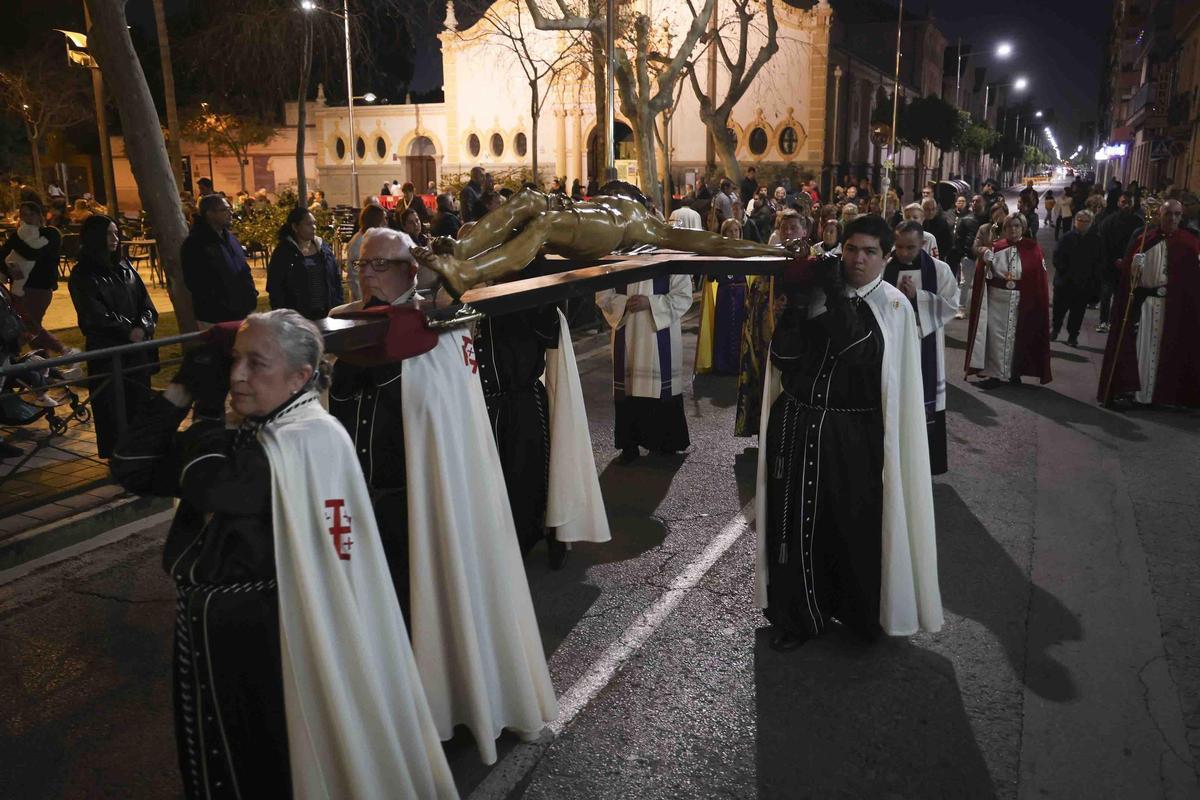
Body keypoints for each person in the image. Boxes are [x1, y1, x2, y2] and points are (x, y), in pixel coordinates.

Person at [109, 310, 458, 799]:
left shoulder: (308, 439)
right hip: (208, 628)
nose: (236, 376)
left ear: (300, 377)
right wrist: (180, 392)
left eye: (257, 363)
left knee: (260, 760)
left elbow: (219, 489)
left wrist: (208, 412)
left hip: (266, 630)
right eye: (233, 361)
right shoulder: (252, 432)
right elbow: (131, 467)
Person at [328, 228, 559, 763]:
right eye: (361, 264)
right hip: (366, 505)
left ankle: (445, 706)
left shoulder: (440, 335)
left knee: (428, 603)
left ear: (413, 270)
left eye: (380, 264)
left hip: (423, 505)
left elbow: (441, 424)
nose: (366, 274)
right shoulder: (349, 330)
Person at [755, 214, 943, 651]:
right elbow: (784, 358)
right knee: (794, 527)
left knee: (853, 527)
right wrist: (797, 308)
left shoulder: (894, 307)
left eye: (870, 252)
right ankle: (796, 616)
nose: (858, 260)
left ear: (886, 255)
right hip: (800, 425)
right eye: (852, 250)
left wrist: (832, 298)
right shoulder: (822, 290)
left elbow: (861, 354)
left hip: (855, 434)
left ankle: (859, 615)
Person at [415, 182, 787, 299]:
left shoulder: (656, 226)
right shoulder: (628, 198)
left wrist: (775, 250)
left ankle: (468, 272)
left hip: (606, 228)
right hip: (584, 208)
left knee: (543, 224)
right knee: (528, 197)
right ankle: (462, 249)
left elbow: (718, 244)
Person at [67, 216, 158, 458]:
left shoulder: (126, 268)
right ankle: (120, 456)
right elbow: (94, 315)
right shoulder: (83, 274)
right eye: (109, 234)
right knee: (114, 410)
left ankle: (141, 452)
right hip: (108, 353)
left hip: (136, 353)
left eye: (116, 233)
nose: (115, 239)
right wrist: (129, 330)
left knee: (139, 404)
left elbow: (146, 304)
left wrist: (144, 325)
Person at [1097, 200, 1200, 407]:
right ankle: (1135, 393)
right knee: (1141, 348)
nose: (1172, 218)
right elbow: (1128, 280)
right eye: (1168, 214)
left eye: (1177, 214)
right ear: (1159, 215)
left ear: (1182, 216)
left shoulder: (1190, 243)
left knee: (1171, 350)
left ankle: (1165, 396)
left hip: (1175, 308)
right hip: (1146, 306)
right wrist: (1134, 266)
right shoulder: (1145, 239)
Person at [884, 221, 960, 474]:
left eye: (911, 247)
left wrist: (919, 297)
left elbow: (951, 305)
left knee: (921, 400)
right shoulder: (884, 266)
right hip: (891, 342)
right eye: (900, 247)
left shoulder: (939, 270)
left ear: (922, 244)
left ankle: (921, 464)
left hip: (923, 341)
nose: (904, 253)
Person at [735, 211, 809, 437]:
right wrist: (768, 307)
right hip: (770, 341)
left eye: (793, 227)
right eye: (784, 227)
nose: (788, 232)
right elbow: (756, 298)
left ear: (804, 231)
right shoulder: (769, 261)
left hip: (804, 342)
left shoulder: (814, 260)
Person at [964, 213, 1052, 385]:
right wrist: (984, 261)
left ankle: (1015, 372)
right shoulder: (995, 247)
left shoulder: (1032, 248)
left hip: (1022, 299)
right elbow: (984, 275)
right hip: (997, 299)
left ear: (1023, 228)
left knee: (1019, 336)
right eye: (1010, 226)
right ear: (1004, 229)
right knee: (995, 337)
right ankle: (995, 374)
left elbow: (1039, 277)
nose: (1013, 229)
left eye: (1017, 226)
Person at [0, 202, 72, 356]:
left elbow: (34, 254)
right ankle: (46, 368)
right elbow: (3, 255)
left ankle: (63, 350)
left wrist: (15, 240)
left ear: (39, 215)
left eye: (29, 214)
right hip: (18, 288)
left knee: (27, 326)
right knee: (29, 327)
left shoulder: (50, 233)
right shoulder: (18, 235)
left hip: (39, 287)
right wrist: (8, 269)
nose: (26, 218)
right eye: (23, 215)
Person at [180, 194, 259, 328]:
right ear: (210, 214)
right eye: (224, 210)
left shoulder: (230, 238)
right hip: (215, 318)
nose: (230, 213)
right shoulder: (195, 243)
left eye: (230, 209)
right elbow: (196, 283)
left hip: (241, 313)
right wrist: (223, 304)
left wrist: (250, 295)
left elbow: (243, 269)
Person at [266, 206, 343, 319]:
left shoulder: (323, 248)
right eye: (308, 224)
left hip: (327, 314)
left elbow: (335, 280)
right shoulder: (284, 253)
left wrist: (338, 305)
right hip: (299, 317)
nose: (314, 227)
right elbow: (275, 288)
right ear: (295, 227)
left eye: (314, 223)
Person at [1051, 209, 1101, 347]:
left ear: (1091, 223)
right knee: (1059, 310)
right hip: (1065, 282)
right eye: (1080, 220)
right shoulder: (1066, 238)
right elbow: (1057, 258)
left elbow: (1098, 262)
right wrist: (1065, 272)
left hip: (1083, 284)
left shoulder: (1095, 240)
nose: (1083, 224)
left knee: (1078, 312)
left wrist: (1093, 281)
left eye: (1086, 221)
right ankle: (1055, 329)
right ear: (1075, 221)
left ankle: (1073, 336)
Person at [1095, 192, 1141, 332]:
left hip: (1129, 265)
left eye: (1129, 202)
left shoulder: (1138, 222)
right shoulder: (1108, 221)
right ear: (1118, 203)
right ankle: (1104, 321)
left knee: (1123, 296)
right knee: (1106, 295)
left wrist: (1127, 260)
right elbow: (1102, 244)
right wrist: (1113, 260)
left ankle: (1117, 320)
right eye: (1123, 202)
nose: (1126, 205)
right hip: (1109, 265)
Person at [345, 203, 388, 302]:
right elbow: (355, 277)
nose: (386, 223)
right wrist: (365, 302)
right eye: (384, 219)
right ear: (376, 221)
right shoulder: (358, 244)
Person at [921, 197, 953, 266]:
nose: (931, 212)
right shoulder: (918, 221)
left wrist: (938, 256)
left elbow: (948, 243)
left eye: (933, 209)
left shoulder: (942, 223)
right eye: (927, 209)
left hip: (936, 260)